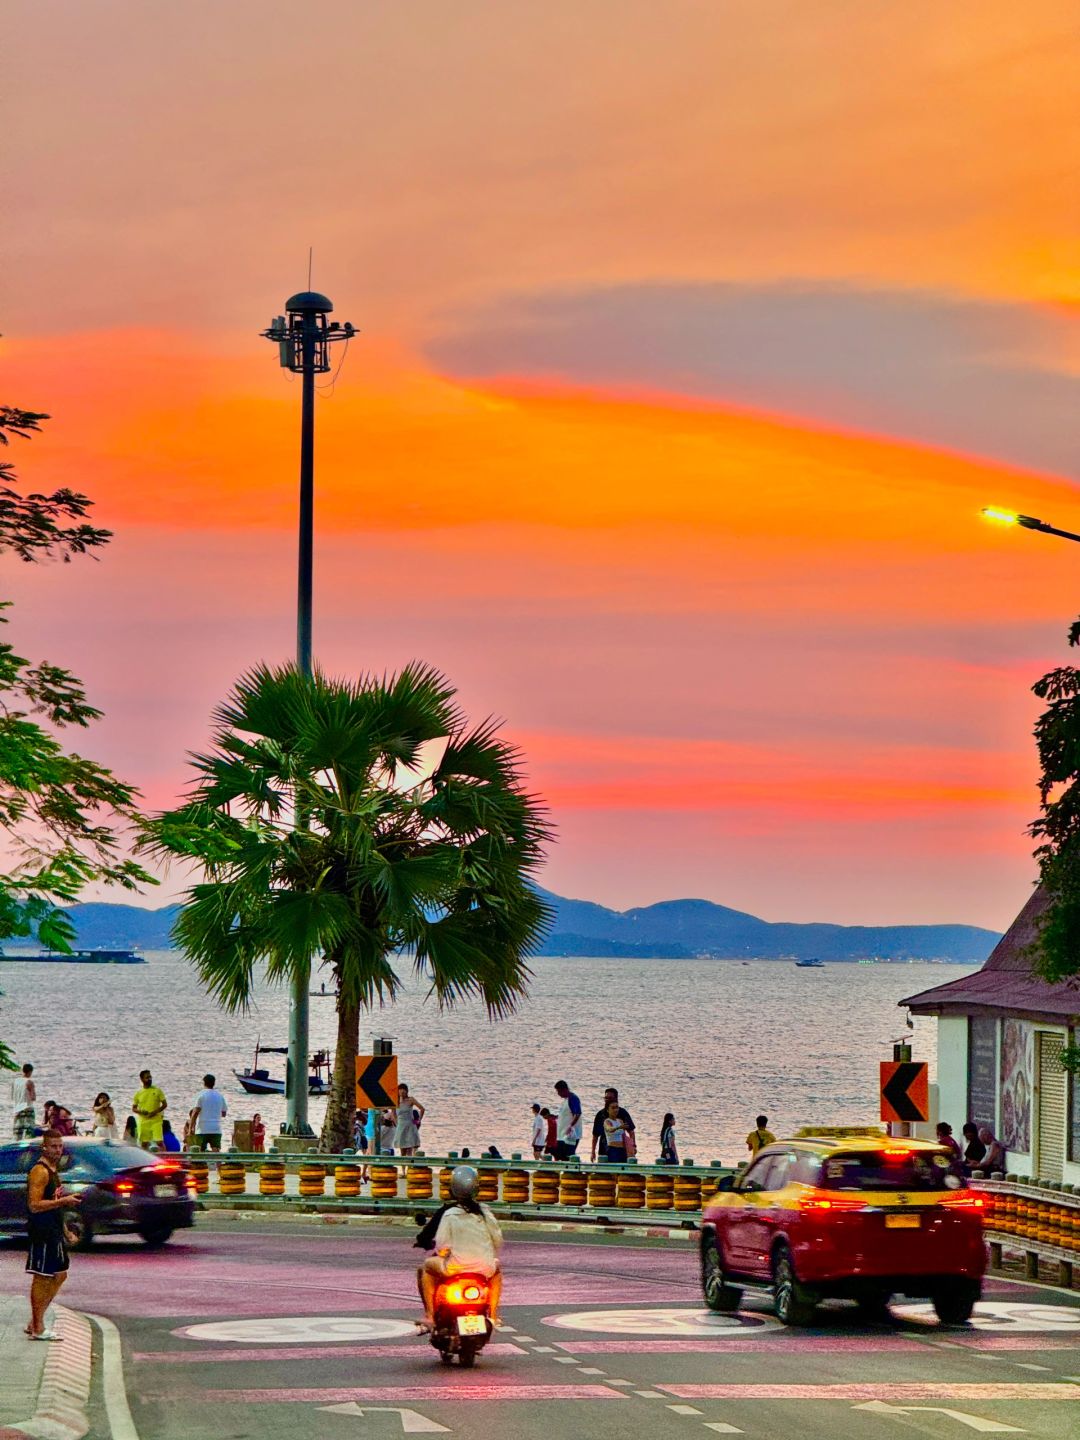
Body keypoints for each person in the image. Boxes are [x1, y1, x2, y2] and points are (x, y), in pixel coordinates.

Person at [416, 1165, 503, 1333]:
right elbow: (497, 1241)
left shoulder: (450, 1214)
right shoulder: (485, 1212)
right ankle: (493, 1314)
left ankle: (430, 1316)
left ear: (453, 1188)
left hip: (455, 1268)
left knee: (425, 1269)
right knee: (498, 1269)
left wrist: (444, 1253)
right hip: (484, 1268)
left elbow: (442, 1247)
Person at [25, 1130, 81, 1340]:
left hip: (54, 1230)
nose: (58, 1151)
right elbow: (35, 1204)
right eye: (53, 1146)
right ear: (44, 1147)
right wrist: (63, 1201)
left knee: (59, 1274)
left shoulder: (53, 1170)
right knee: (42, 1276)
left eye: (60, 1146)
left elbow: (54, 1207)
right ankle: (38, 1327)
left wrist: (65, 1231)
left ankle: (35, 1321)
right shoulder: (40, 1171)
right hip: (42, 1231)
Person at [590, 1087, 635, 1163]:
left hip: (621, 1149)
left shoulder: (622, 1113)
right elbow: (595, 1135)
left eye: (610, 1098)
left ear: (616, 1099)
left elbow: (631, 1131)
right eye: (606, 1098)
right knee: (605, 1173)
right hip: (604, 1149)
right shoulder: (600, 1114)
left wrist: (633, 1147)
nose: (607, 1100)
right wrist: (593, 1151)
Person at [188, 1074, 227, 1152]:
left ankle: (201, 1164)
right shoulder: (220, 1096)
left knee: (200, 1150)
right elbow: (224, 1114)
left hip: (203, 1128)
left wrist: (190, 1128)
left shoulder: (201, 1095)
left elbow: (195, 1113)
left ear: (204, 1083)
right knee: (216, 1149)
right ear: (214, 1083)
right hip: (216, 1128)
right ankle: (215, 1164)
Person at [132, 1069, 167, 1148]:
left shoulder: (157, 1090)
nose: (149, 1079)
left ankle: (165, 1157)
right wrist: (141, 1111)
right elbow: (134, 1108)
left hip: (156, 1120)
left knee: (159, 1142)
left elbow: (164, 1105)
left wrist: (154, 1112)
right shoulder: (138, 1093)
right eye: (147, 1077)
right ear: (142, 1079)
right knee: (144, 1143)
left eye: (150, 1077)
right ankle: (144, 1159)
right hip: (143, 1121)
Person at [553, 1080, 582, 1160]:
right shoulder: (566, 1100)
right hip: (562, 1135)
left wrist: (570, 1126)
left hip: (570, 1136)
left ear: (564, 1089)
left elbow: (577, 1114)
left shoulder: (573, 1098)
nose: (558, 1093)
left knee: (567, 1158)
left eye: (558, 1091)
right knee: (559, 1157)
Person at [394, 1083, 424, 1156]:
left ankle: (410, 1165)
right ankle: (403, 1167)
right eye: (400, 1091)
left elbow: (422, 1109)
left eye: (404, 1091)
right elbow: (393, 1113)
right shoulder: (395, 1101)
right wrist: (396, 1123)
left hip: (410, 1125)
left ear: (407, 1091)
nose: (402, 1092)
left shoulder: (410, 1100)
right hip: (401, 1126)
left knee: (410, 1149)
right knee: (402, 1150)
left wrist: (419, 1120)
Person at [12, 1062, 36, 1140]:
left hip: (18, 1107)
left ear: (23, 1070)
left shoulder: (15, 1081)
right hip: (27, 1107)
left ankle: (16, 1145)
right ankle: (27, 1147)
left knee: (17, 1131)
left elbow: (13, 1095)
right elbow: (33, 1097)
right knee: (29, 1130)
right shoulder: (29, 1082)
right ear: (30, 1072)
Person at [601, 1099, 629, 1163]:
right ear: (608, 1110)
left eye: (617, 1107)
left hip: (622, 1149)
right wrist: (618, 1127)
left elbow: (623, 1136)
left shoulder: (620, 1121)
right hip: (613, 1149)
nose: (616, 1110)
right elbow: (609, 1129)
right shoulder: (607, 1121)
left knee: (623, 1168)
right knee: (615, 1169)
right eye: (613, 1108)